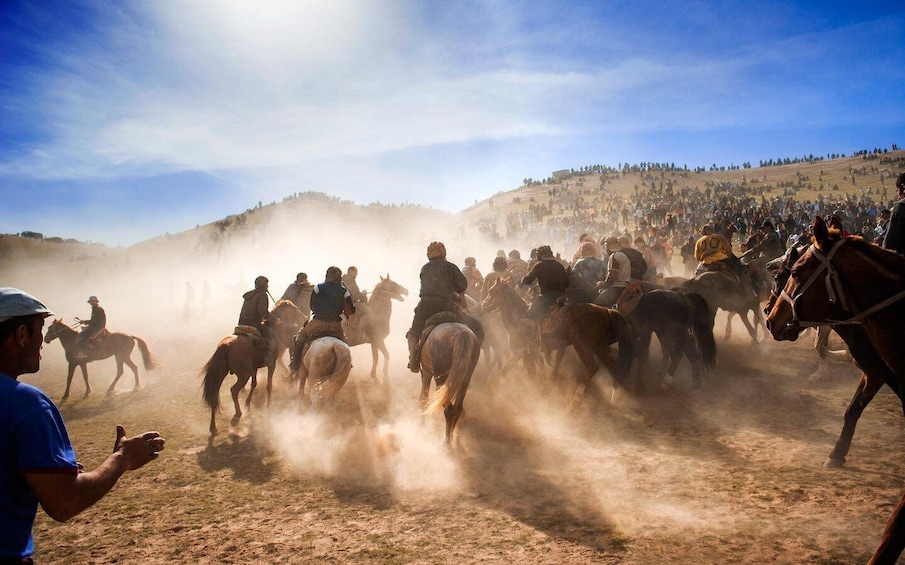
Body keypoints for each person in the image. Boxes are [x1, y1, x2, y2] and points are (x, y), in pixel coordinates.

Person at [0, 287, 165, 563]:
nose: (42, 341)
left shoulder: (98, 310)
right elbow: (64, 502)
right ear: (21, 335)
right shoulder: (25, 404)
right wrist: (122, 458)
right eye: (40, 330)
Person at [407, 241, 483, 373]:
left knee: (414, 331)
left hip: (426, 307)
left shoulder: (425, 268)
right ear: (443, 252)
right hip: (448, 305)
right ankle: (473, 356)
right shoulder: (450, 267)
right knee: (476, 326)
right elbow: (462, 285)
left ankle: (413, 359)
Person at [290, 267, 355, 371]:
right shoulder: (344, 291)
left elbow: (312, 305)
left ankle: (294, 365)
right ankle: (348, 364)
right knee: (344, 342)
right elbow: (350, 310)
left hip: (317, 322)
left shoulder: (318, 287)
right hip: (336, 325)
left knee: (300, 337)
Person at [237, 276, 281, 367]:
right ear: (265, 285)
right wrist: (275, 320)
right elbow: (263, 313)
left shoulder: (249, 295)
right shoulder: (262, 295)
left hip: (241, 323)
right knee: (273, 336)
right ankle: (268, 358)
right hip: (254, 324)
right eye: (267, 284)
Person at [520, 245, 569, 321]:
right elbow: (567, 282)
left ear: (539, 256)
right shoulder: (560, 266)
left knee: (528, 316)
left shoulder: (539, 266)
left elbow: (528, 280)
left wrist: (521, 283)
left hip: (546, 297)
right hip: (562, 297)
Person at [594, 237, 632, 307]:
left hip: (616, 287)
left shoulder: (614, 256)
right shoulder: (623, 255)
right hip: (625, 285)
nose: (606, 250)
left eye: (606, 247)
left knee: (597, 304)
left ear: (608, 246)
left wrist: (603, 284)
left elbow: (613, 274)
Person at [75, 295, 106, 360]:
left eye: (92, 301)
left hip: (97, 326)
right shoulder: (96, 308)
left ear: (96, 301)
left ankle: (83, 353)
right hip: (98, 325)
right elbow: (94, 320)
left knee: (82, 335)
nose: (91, 303)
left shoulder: (97, 309)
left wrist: (84, 322)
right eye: (90, 302)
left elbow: (94, 321)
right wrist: (85, 322)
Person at [882, 173, 905, 254]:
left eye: (897, 190)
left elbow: (890, 244)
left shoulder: (901, 207)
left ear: (903, 188)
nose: (898, 196)